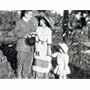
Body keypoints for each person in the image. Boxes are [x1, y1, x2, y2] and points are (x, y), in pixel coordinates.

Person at [14, 10, 38, 79]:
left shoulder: (31, 22)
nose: (31, 16)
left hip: (30, 46)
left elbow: (33, 30)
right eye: (30, 14)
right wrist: (24, 35)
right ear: (25, 14)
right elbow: (15, 32)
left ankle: (25, 76)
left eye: (32, 15)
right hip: (22, 46)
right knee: (20, 62)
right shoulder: (19, 22)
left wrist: (34, 33)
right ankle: (19, 75)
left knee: (28, 62)